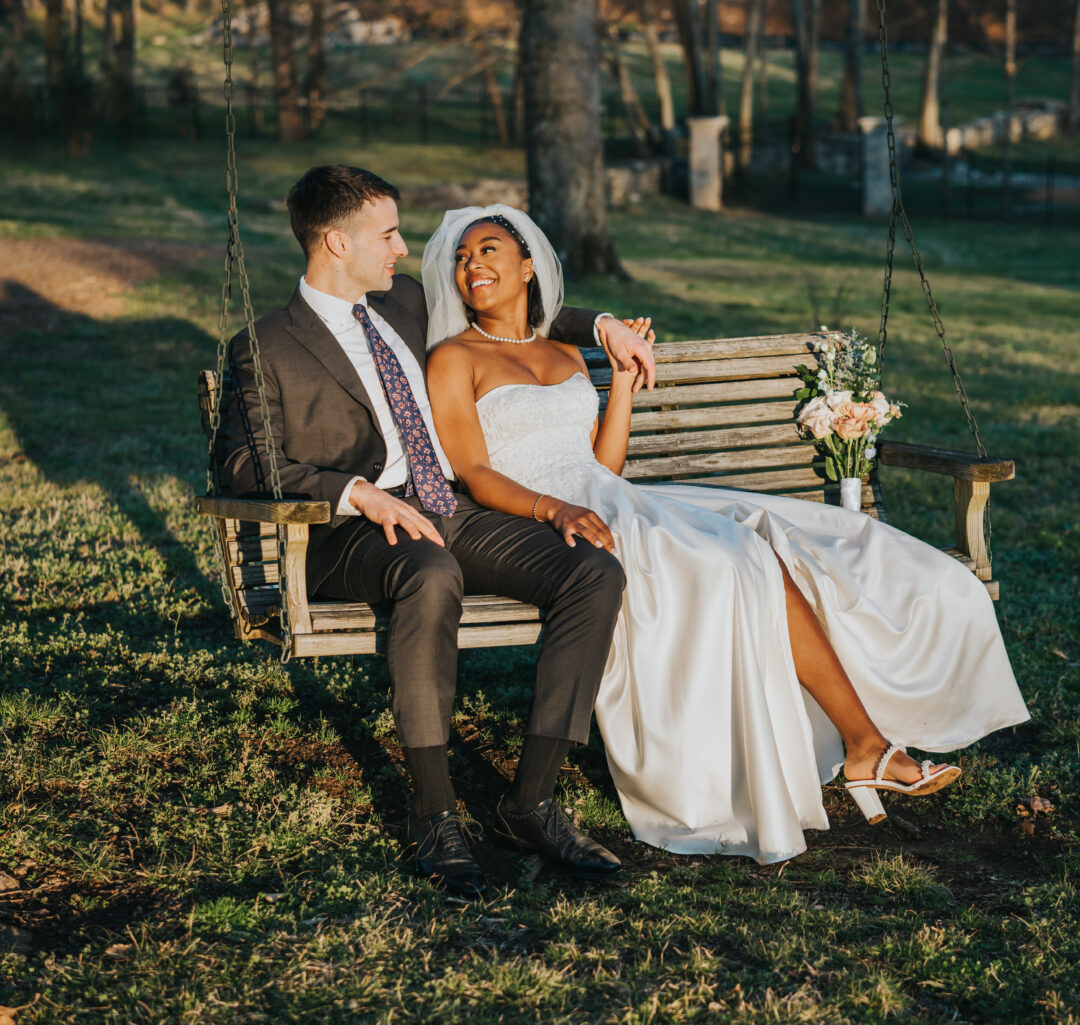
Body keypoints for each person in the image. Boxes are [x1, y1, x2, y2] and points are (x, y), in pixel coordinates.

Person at [423, 205, 1030, 865]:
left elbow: (603, 466)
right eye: (461, 258)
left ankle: (865, 745)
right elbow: (475, 472)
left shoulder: (565, 352)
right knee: (735, 561)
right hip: (539, 517)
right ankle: (863, 748)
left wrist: (622, 384)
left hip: (609, 497)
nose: (472, 265)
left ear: (527, 264)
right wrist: (552, 511)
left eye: (487, 250)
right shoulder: (455, 359)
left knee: (766, 547)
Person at [216, 167, 660, 896]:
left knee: (593, 568)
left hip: (451, 507)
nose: (402, 248)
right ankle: (434, 811)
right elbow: (240, 462)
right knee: (429, 570)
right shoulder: (265, 346)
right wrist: (355, 492)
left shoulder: (405, 305)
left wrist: (602, 325)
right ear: (336, 242)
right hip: (355, 529)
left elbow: (524, 305)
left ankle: (532, 802)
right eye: (387, 235)